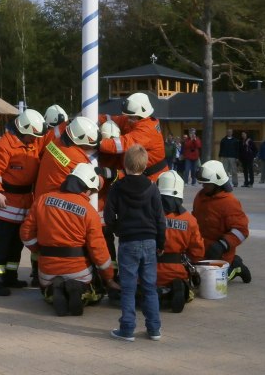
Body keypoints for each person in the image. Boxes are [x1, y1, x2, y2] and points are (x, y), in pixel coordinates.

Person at [20, 162, 115, 318]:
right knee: (96, 293)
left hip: (47, 269)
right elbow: (98, 250)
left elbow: (26, 234)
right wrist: (109, 278)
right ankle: (81, 291)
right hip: (79, 271)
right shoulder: (89, 212)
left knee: (46, 292)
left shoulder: (43, 200)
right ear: (87, 188)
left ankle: (52, 290)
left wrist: (38, 249)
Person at [104, 145, 165, 342]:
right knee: (150, 286)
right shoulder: (153, 188)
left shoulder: (116, 188)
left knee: (128, 287)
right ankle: (154, 328)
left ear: (125, 164)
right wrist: (160, 242)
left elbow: (108, 215)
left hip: (127, 241)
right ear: (146, 164)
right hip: (149, 241)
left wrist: (117, 230)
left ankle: (127, 329)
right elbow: (160, 219)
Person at [0, 109, 47, 296]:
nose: (34, 139)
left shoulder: (33, 144)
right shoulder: (3, 145)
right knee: (0, 243)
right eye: (31, 135)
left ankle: (10, 276)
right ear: (22, 130)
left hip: (24, 202)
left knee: (16, 244)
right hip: (5, 202)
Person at [153, 170, 204, 313]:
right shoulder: (190, 220)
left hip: (148, 268)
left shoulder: (148, 214)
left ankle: (150, 293)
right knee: (187, 288)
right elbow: (197, 252)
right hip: (175, 270)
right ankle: (178, 288)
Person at [193, 160, 251, 284]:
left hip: (220, 253)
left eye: (206, 184)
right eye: (202, 183)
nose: (203, 186)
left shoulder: (229, 203)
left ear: (217, 183)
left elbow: (242, 230)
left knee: (212, 282)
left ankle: (236, 267)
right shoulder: (200, 197)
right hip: (202, 249)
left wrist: (222, 245)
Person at [99, 93, 169, 181]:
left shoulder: (147, 129)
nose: (128, 119)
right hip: (138, 174)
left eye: (131, 117)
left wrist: (98, 143)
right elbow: (112, 119)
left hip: (152, 178)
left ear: (141, 114)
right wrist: (94, 119)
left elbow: (123, 144)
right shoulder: (134, 120)